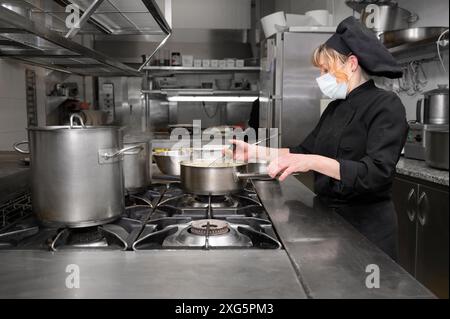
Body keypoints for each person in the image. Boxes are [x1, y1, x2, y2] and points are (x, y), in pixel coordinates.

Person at [228, 17, 408, 260]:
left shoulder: (386, 105)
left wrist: (313, 162)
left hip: (368, 229)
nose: (321, 77)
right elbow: (303, 150)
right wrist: (254, 152)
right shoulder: (335, 108)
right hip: (330, 220)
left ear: (352, 63)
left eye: (325, 69)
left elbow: (375, 174)